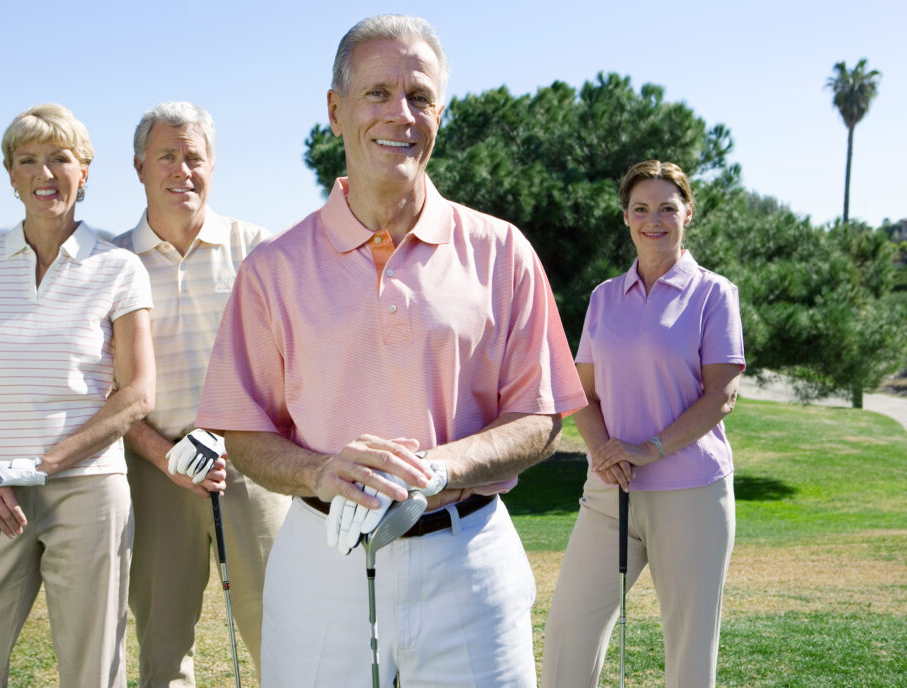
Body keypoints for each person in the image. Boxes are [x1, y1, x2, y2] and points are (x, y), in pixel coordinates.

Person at [195, 14, 587, 688]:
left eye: (420, 97)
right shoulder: (273, 269)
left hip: (469, 560)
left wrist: (443, 464)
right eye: (377, 93)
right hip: (321, 563)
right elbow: (242, 430)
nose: (399, 114)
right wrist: (320, 472)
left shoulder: (502, 252)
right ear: (336, 111)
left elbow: (542, 417)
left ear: (441, 113)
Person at [0, 103, 156, 687]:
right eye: (28, 161)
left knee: (91, 671)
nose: (44, 174)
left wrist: (47, 462)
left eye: (60, 159)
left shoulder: (118, 267)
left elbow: (137, 393)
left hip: (89, 492)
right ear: (11, 174)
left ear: (85, 171)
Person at [541, 160, 744, 688]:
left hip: (692, 493)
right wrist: (607, 451)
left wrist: (648, 448)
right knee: (568, 629)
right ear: (626, 217)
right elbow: (581, 393)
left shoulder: (713, 293)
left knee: (689, 649)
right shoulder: (604, 297)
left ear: (688, 213)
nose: (653, 220)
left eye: (667, 208)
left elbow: (721, 395)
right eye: (640, 208)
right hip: (611, 490)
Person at [112, 101, 290, 687]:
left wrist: (237, 436)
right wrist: (164, 455)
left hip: (252, 465)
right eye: (168, 156)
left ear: (213, 165)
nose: (182, 170)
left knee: (283, 633)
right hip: (153, 469)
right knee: (162, 648)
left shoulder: (257, 248)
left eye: (195, 157)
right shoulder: (108, 264)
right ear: (140, 166)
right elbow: (102, 388)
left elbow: (291, 365)